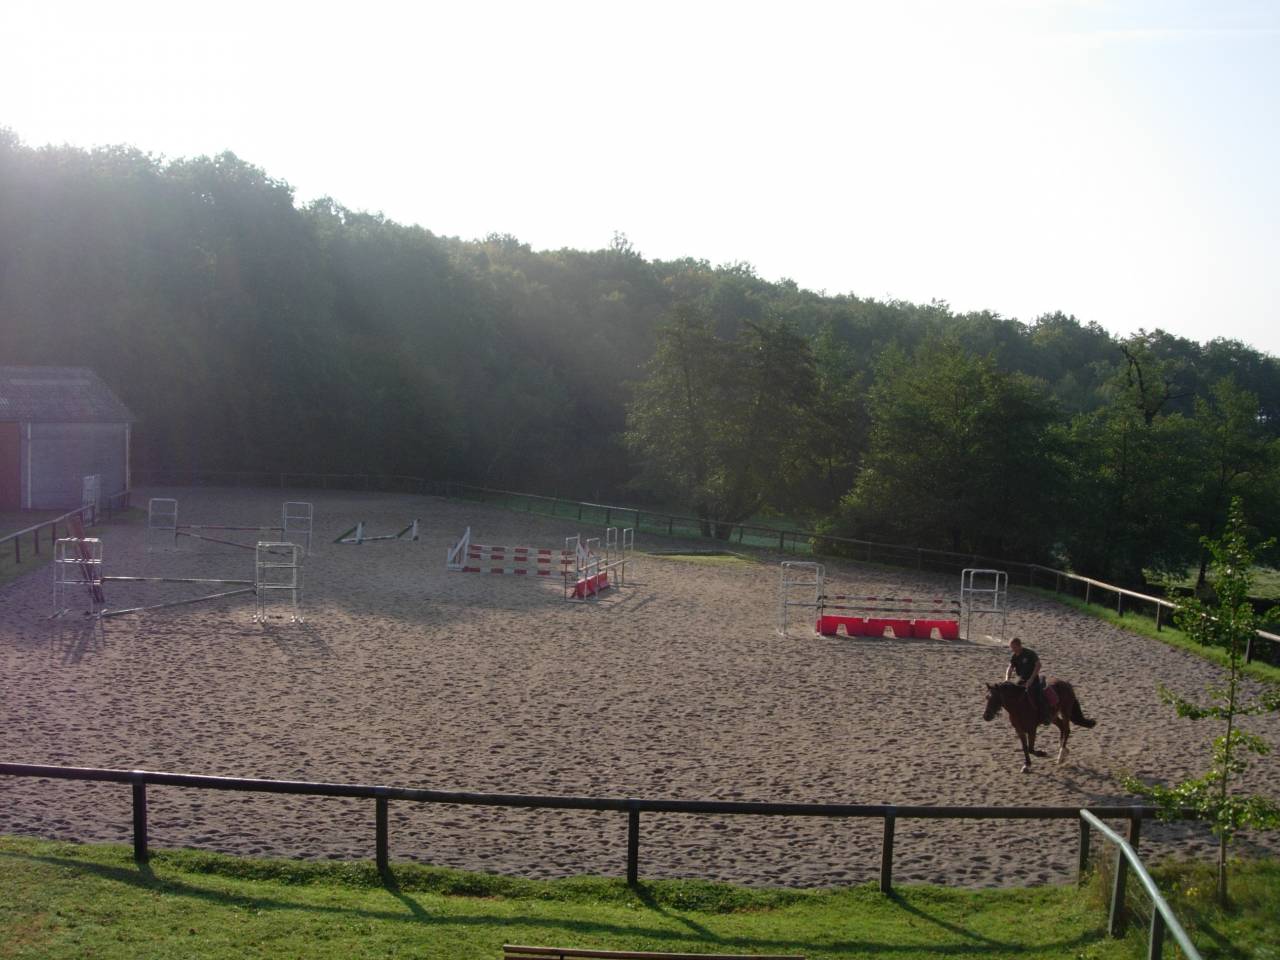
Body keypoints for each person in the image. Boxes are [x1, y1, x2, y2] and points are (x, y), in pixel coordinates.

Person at [1005, 636, 1048, 725]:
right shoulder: (1014, 656)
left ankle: (1045, 716)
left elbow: (1038, 665)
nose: (1013, 650)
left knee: (1039, 696)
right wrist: (1007, 679)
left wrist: (1031, 680)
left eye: (1014, 647)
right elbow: (1010, 667)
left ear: (1019, 645)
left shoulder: (1030, 653)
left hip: (1033, 679)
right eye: (1011, 648)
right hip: (1021, 679)